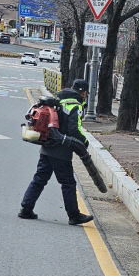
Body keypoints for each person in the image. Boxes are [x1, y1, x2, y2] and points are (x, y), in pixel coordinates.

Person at [18, 78, 94, 225]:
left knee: (40, 178)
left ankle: (26, 208)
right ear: (84, 93)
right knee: (68, 183)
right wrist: (84, 142)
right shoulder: (76, 106)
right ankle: (74, 215)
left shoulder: (59, 99)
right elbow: (74, 129)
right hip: (61, 150)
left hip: (47, 145)